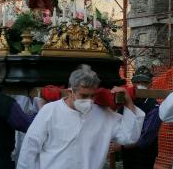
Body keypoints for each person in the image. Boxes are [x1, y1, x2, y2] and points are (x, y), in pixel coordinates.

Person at [17, 64, 145, 169]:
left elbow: (129, 137)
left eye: (93, 95)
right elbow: (30, 148)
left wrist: (128, 102)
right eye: (84, 96)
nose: (89, 100)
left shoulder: (104, 114)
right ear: (70, 91)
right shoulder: (50, 111)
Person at [110, 66, 162, 169]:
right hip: (127, 153)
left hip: (143, 155)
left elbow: (146, 138)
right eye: (137, 82)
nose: (140, 85)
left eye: (144, 83)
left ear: (150, 84)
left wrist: (121, 146)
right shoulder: (126, 101)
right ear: (133, 83)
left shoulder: (154, 107)